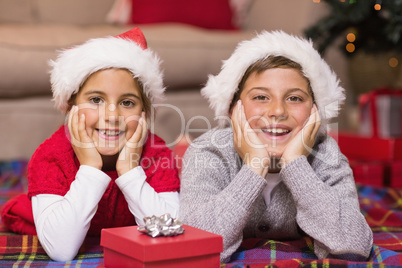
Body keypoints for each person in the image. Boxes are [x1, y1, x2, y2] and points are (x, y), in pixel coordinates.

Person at [179, 31, 373, 263]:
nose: (278, 111)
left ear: (316, 110)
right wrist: (253, 167)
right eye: (261, 97)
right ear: (233, 108)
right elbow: (195, 246)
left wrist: (295, 165)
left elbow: (354, 247)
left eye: (295, 98)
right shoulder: (208, 152)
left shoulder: (326, 154)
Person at [1, 27, 180, 262]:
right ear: (70, 106)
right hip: (62, 219)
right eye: (96, 100)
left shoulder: (156, 155)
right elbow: (61, 250)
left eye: (127, 102)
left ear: (145, 114)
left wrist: (130, 171)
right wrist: (90, 167)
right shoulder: (51, 157)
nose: (112, 115)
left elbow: (173, 233)